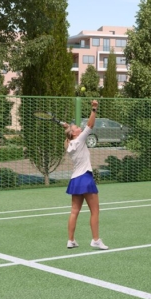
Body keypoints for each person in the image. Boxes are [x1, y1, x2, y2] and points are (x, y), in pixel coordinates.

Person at [64, 99, 107, 249]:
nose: (79, 128)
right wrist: (94, 109)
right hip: (85, 178)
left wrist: (68, 127)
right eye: (76, 128)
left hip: (75, 180)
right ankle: (95, 240)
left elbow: (69, 135)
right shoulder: (80, 139)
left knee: (74, 211)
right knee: (95, 211)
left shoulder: (69, 144)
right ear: (74, 134)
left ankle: (71, 240)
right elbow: (90, 125)